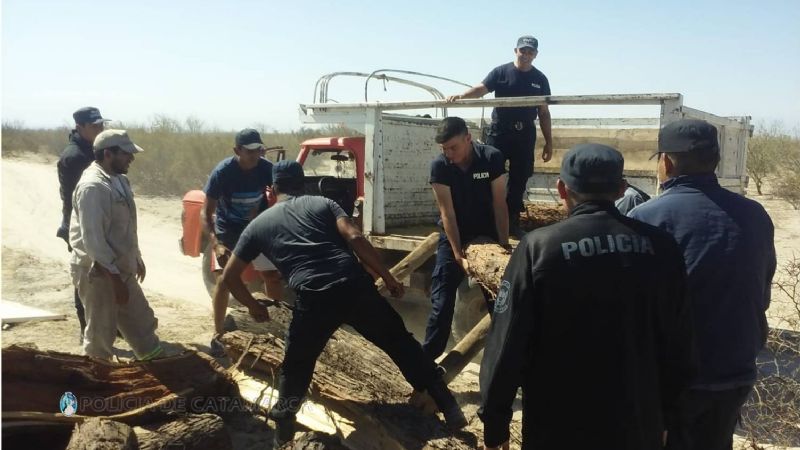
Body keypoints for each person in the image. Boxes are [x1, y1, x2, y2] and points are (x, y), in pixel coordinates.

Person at [222, 161, 468, 446]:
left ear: (272, 189)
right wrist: (387, 277)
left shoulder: (257, 225)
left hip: (313, 297)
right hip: (354, 286)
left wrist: (253, 306)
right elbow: (355, 237)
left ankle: (284, 431)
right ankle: (448, 405)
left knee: (296, 365)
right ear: (302, 184)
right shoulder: (323, 203)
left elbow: (230, 276)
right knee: (401, 343)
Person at [479, 143, 695, 450]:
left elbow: (507, 344)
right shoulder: (663, 247)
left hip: (556, 428)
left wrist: (495, 423)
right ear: (621, 189)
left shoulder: (538, 248)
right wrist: (670, 418)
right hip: (637, 425)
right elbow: (680, 344)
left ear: (562, 189)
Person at [629, 119, 777, 450]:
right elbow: (761, 292)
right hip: (735, 372)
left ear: (665, 162)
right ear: (716, 160)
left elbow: (635, 308)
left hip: (674, 382)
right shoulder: (755, 215)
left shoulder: (646, 217)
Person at [70, 129, 163, 361]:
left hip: (121, 270)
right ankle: (97, 386)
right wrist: (114, 279)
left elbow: (127, 226)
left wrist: (136, 258)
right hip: (99, 273)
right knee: (101, 336)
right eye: (126, 153)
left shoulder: (120, 180)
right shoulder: (93, 187)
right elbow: (94, 241)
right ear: (108, 154)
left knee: (142, 325)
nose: (131, 158)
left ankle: (159, 373)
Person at [447, 35, 553, 237]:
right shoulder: (501, 72)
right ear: (516, 51)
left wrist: (549, 142)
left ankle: (511, 221)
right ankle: (485, 220)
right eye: (523, 51)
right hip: (500, 132)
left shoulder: (540, 79)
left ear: (536, 55)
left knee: (519, 178)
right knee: (488, 174)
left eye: (530, 52)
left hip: (525, 134)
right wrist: (461, 96)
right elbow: (482, 89)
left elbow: (544, 112)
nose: (526, 55)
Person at [423, 116, 509, 360]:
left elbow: (499, 205)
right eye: (444, 149)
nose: (449, 153)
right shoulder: (440, 166)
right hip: (454, 237)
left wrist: (503, 246)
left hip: (487, 237)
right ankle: (425, 365)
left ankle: (507, 362)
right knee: (441, 306)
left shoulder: (491, 158)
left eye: (454, 147)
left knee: (500, 303)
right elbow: (447, 213)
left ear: (468, 138)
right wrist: (458, 253)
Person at [204, 128, 283, 357]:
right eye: (249, 151)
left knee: (272, 276)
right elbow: (206, 213)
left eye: (258, 150)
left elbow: (282, 196)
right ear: (237, 150)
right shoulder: (223, 172)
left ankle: (275, 329)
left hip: (256, 230)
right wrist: (216, 243)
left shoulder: (267, 169)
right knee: (224, 282)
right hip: (227, 231)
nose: (254, 155)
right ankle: (218, 335)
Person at [57, 107, 109, 343]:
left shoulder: (96, 149)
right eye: (94, 126)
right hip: (81, 225)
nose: (100, 129)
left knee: (106, 272)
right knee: (86, 274)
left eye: (101, 124)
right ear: (80, 128)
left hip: (101, 220)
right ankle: (85, 327)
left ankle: (107, 323)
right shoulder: (74, 156)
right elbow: (73, 199)